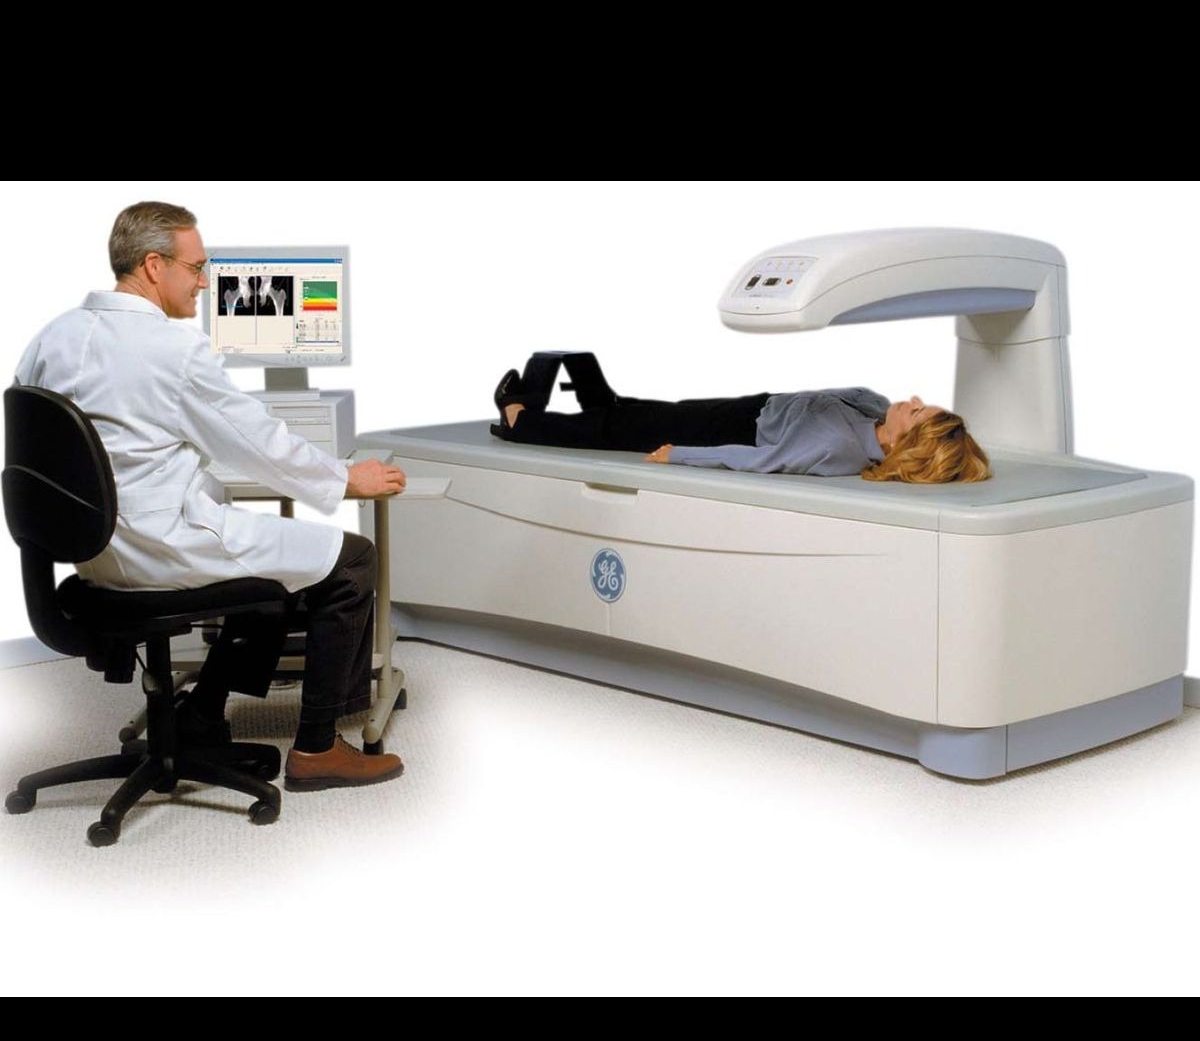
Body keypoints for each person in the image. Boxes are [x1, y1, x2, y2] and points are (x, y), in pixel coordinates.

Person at [13, 201, 406, 789]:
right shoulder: (172, 349)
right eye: (196, 268)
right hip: (162, 547)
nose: (203, 282)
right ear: (154, 266)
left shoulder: (51, 337)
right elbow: (255, 441)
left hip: (93, 556)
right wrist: (345, 479)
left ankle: (200, 713)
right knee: (350, 561)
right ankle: (317, 749)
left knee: (275, 567)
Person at [491, 366, 991, 484]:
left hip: (733, 430)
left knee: (627, 430)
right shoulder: (874, 414)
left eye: (917, 412)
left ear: (904, 441)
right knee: (644, 411)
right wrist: (885, 410)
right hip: (756, 407)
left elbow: (760, 460)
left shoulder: (838, 444)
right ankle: (595, 401)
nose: (914, 401)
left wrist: (678, 454)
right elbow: (854, 393)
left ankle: (522, 422)